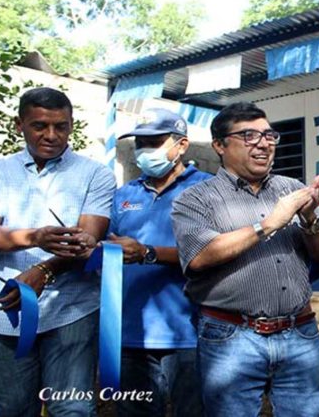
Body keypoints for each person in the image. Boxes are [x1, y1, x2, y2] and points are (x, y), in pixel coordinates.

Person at [171, 102, 319, 417]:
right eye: (248, 136)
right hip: (231, 337)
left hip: (299, 332)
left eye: (269, 135)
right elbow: (198, 256)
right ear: (219, 146)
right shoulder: (195, 198)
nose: (263, 143)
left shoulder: (293, 189)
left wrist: (309, 219)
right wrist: (269, 224)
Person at [0, 87, 115, 416]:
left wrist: (42, 271)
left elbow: (87, 240)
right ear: (20, 124)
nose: (51, 135)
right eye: (40, 126)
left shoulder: (96, 174)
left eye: (61, 126)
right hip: (7, 308)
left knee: (72, 408)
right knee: (12, 408)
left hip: (72, 307)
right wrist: (36, 236)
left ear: (71, 125)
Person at [109, 108, 209, 416]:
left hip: (189, 333)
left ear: (181, 145)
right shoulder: (124, 194)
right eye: (141, 143)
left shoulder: (208, 188)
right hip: (129, 332)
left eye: (155, 142)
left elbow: (217, 252)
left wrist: (148, 252)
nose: (145, 151)